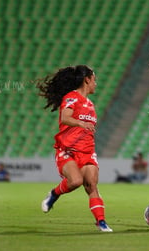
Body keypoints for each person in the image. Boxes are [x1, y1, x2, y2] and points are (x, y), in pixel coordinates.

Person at [37, 65, 112, 232]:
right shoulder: (71, 97)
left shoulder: (90, 104)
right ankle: (54, 194)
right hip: (68, 150)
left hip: (87, 151)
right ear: (87, 79)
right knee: (76, 181)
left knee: (91, 185)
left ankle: (101, 221)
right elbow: (65, 118)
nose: (96, 83)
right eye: (94, 79)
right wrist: (80, 123)